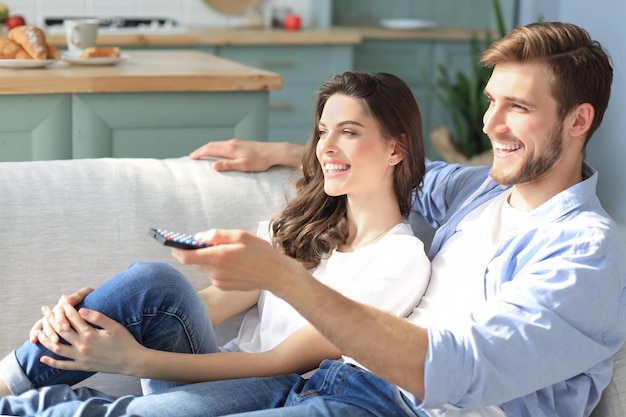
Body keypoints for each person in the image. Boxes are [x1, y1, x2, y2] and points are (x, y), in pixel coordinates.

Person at [0, 20, 624, 417]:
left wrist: (281, 275)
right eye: (491, 103)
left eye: (517, 108)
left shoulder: (586, 254)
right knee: (153, 285)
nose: (489, 126)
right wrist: (289, 153)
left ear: (578, 121)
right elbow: (403, 166)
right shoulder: (479, 191)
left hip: (392, 407)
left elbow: (454, 369)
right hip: (330, 383)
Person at [0, 71, 430, 402]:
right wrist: (94, 319)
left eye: (348, 132)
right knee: (156, 281)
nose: (325, 147)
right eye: (322, 131)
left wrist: (133, 360)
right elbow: (202, 307)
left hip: (270, 395)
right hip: (209, 377)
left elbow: (281, 363)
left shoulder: (400, 260)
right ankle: (10, 379)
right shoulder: (305, 225)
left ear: (396, 149)